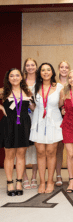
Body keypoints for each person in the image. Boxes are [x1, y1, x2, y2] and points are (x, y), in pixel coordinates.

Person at [29, 63, 64, 194]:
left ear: (52, 72)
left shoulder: (59, 87)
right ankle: (42, 181)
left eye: (48, 69)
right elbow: (32, 106)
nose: (45, 72)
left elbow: (61, 104)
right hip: (38, 122)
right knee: (40, 152)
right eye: (43, 70)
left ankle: (50, 181)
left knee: (51, 152)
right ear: (40, 73)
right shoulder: (34, 87)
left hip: (53, 122)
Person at [0, 68, 34, 196]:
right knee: (9, 155)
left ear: (21, 77)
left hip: (24, 124)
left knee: (21, 154)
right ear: (8, 78)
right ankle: (9, 182)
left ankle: (19, 182)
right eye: (11, 76)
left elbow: (33, 108)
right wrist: (2, 107)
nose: (14, 78)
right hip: (8, 125)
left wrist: (34, 101)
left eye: (17, 75)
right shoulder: (4, 92)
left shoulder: (27, 91)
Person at [22, 58, 38, 189]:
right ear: (24, 67)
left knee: (36, 148)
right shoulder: (20, 81)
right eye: (28, 65)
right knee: (21, 147)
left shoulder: (41, 82)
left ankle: (34, 177)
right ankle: (24, 177)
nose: (30, 67)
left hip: (37, 116)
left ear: (36, 67)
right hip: (21, 117)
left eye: (32, 65)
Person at [55, 60, 71, 187]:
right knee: (58, 149)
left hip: (71, 120)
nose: (64, 69)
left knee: (72, 150)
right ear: (58, 69)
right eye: (62, 67)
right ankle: (58, 175)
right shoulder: (54, 85)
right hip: (57, 119)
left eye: (66, 67)